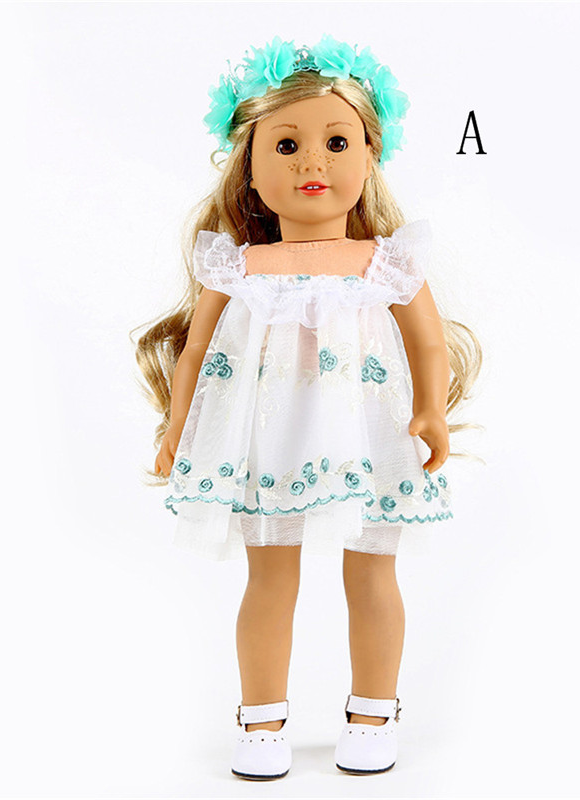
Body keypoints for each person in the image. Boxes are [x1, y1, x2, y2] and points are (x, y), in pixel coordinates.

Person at [132, 34, 481, 780]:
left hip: (369, 439)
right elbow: (195, 355)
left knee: (373, 572)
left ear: (369, 156)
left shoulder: (386, 262)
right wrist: (178, 426)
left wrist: (429, 410)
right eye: (286, 145)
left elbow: (426, 341)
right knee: (269, 577)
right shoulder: (238, 265)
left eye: (336, 143)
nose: (311, 163)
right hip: (268, 443)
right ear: (250, 167)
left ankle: (373, 713)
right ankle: (261, 724)